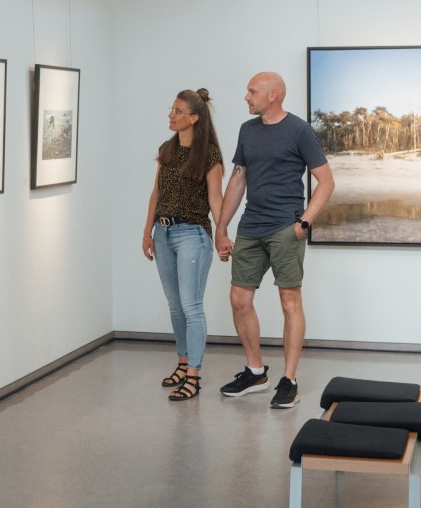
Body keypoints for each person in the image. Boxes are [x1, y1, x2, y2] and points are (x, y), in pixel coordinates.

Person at [215, 72, 335, 408]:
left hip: (286, 227)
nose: (246, 96)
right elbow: (238, 179)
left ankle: (289, 379)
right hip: (251, 226)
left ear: (273, 95)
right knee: (239, 299)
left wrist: (304, 224)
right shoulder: (247, 130)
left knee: (289, 302)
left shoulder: (299, 130)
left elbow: (325, 182)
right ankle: (255, 372)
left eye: (251, 91)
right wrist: (222, 228)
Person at [142, 89, 224, 401]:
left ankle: (194, 376)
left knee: (191, 306)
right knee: (175, 306)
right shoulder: (166, 149)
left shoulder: (210, 155)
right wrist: (147, 231)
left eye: (177, 111)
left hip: (193, 234)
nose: (171, 115)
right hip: (163, 233)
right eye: (171, 109)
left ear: (194, 118)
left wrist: (221, 234)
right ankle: (182, 363)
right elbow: (156, 193)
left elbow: (216, 199)